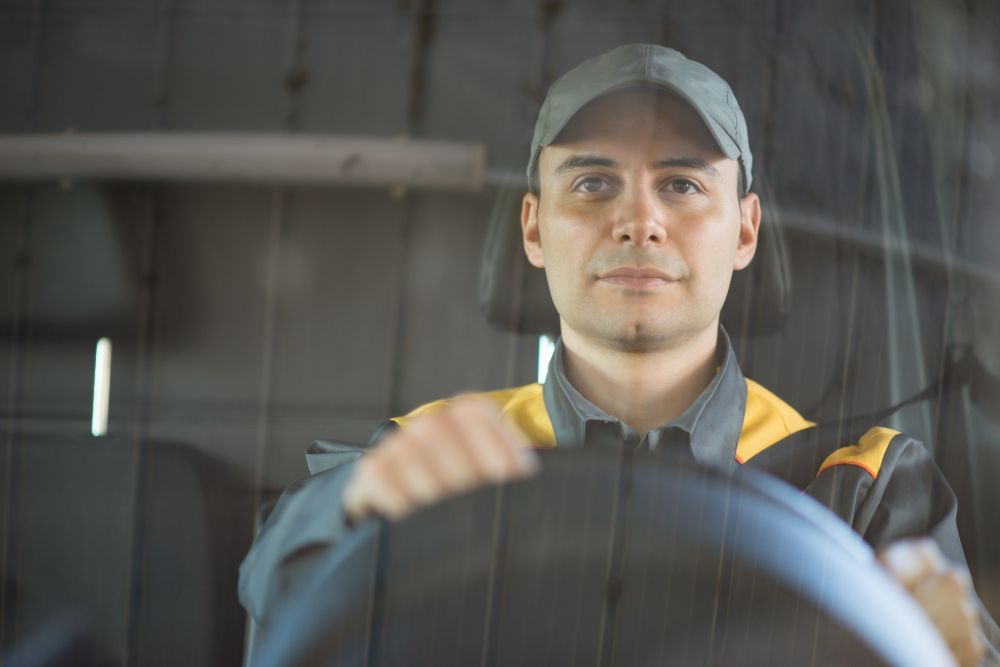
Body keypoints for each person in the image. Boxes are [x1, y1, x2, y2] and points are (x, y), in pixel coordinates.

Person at [240, 44, 997, 666]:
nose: (639, 220)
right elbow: (276, 582)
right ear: (534, 228)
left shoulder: (860, 485)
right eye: (594, 182)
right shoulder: (431, 461)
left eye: (681, 183)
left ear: (744, 230)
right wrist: (350, 510)